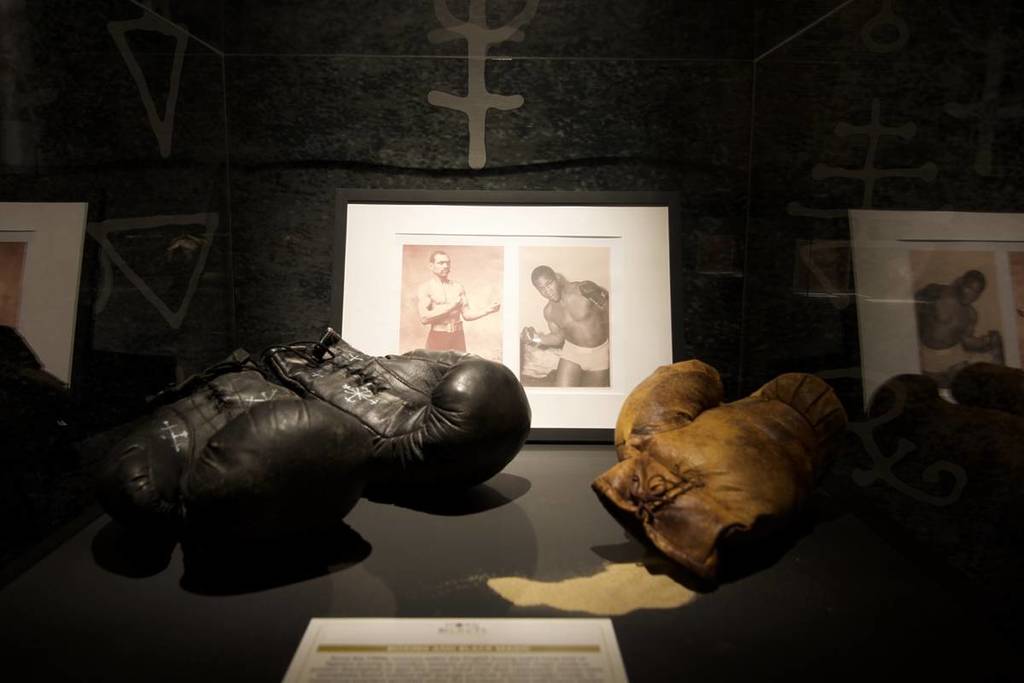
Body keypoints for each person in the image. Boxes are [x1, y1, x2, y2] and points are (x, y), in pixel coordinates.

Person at [522, 265, 609, 387]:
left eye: (549, 284)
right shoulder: (549, 311)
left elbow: (611, 312)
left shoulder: (582, 290)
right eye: (542, 289)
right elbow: (558, 338)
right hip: (572, 352)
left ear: (557, 278)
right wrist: (534, 339)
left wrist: (604, 302)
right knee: (561, 395)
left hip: (599, 353)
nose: (548, 291)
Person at [914, 269, 1004, 386]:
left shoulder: (971, 314)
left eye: (976, 292)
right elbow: (914, 306)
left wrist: (985, 342)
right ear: (961, 282)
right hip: (928, 354)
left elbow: (967, 343)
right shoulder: (938, 292)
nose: (972, 295)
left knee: (970, 381)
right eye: (969, 288)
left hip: (953, 356)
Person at [417, 250, 499, 352]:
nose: (446, 266)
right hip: (438, 337)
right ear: (431, 266)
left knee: (461, 367)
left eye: (448, 263)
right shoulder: (426, 288)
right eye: (441, 263)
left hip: (458, 337)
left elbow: (467, 315)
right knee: (438, 368)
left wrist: (487, 310)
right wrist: (452, 306)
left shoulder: (458, 287)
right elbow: (424, 318)